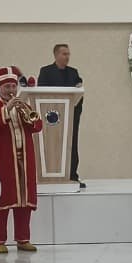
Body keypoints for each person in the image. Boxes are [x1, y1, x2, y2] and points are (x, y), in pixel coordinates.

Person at [0, 65, 43, 253]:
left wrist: (29, 115)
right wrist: (6, 110)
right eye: (7, 87)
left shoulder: (24, 106)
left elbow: (37, 126)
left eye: (14, 86)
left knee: (24, 201)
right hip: (2, 161)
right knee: (2, 201)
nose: (11, 90)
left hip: (24, 160)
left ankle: (23, 239)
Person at [36, 43, 84, 186]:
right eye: (64, 54)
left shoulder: (73, 72)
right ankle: (50, 175)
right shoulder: (46, 71)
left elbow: (78, 93)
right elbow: (41, 94)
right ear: (56, 55)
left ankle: (72, 175)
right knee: (52, 144)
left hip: (70, 116)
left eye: (68, 54)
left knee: (72, 143)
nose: (67, 57)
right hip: (51, 118)